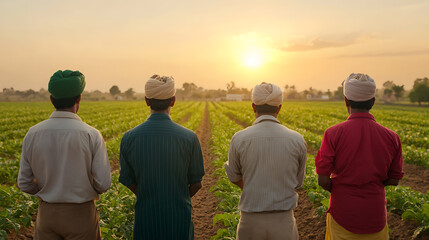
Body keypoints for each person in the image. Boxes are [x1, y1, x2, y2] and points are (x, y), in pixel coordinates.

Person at [18, 70, 111, 240]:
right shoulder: (91, 134)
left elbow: (24, 183)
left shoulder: (33, 134)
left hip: (47, 214)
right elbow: (103, 183)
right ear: (79, 99)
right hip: (81, 214)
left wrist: (48, 190)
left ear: (52, 99)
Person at [315, 73, 404, 240]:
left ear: (346, 101)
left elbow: (322, 180)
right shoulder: (392, 137)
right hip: (375, 216)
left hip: (342, 213)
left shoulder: (333, 133)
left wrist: (341, 187)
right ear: (373, 102)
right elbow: (394, 180)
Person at [119, 74, 205, 240]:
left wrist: (148, 194)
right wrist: (176, 197)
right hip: (179, 219)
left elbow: (128, 180)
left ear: (147, 101)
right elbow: (196, 183)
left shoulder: (129, 137)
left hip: (146, 220)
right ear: (173, 101)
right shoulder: (189, 137)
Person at [225, 82, 307, 240]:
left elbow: (234, 177)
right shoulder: (297, 140)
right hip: (284, 222)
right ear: (279, 108)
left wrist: (254, 186)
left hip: (250, 221)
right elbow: (298, 183)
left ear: (253, 107)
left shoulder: (239, 139)